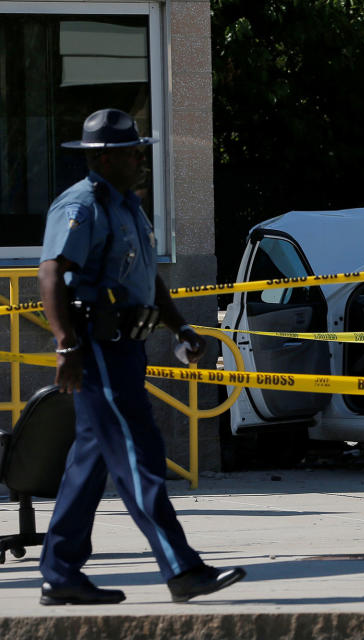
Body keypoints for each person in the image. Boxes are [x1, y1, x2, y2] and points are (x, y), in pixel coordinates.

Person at [36, 108, 245, 605]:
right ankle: (181, 568)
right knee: (139, 456)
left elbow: (146, 276)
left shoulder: (129, 206)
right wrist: (66, 344)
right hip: (97, 349)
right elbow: (50, 274)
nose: (140, 158)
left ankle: (60, 571)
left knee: (89, 462)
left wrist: (181, 326)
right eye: (132, 152)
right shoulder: (81, 206)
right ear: (105, 159)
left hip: (127, 347)